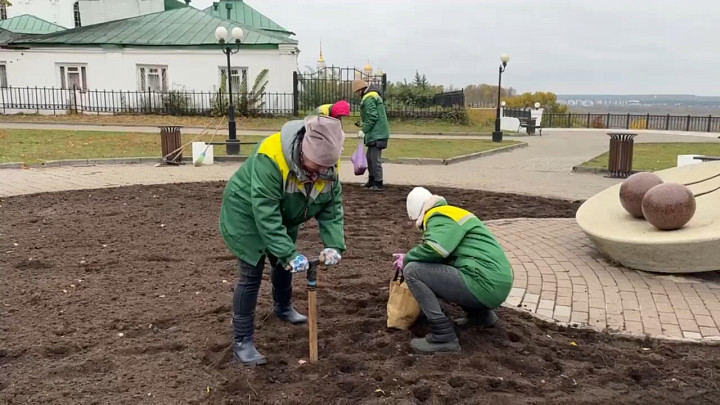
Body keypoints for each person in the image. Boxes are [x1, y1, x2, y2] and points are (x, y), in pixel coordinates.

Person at [219, 115, 346, 366]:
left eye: (325, 167)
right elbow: (265, 213)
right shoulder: (271, 156)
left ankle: (283, 306)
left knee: (282, 261)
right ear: (303, 150)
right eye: (316, 166)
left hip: (285, 214)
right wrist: (289, 253)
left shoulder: (327, 167)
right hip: (246, 213)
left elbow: (332, 209)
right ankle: (242, 341)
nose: (321, 172)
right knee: (251, 273)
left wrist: (334, 244)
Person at [392, 187, 514, 354]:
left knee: (413, 271)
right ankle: (481, 316)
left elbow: (436, 250)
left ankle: (443, 336)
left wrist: (407, 258)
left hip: (484, 283)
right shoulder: (452, 213)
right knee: (450, 270)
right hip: (496, 282)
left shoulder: (437, 215)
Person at [352, 79, 390, 191]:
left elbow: (373, 117)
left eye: (356, 92)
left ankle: (378, 183)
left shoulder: (369, 98)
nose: (356, 95)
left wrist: (364, 130)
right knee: (369, 158)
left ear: (360, 90)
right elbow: (371, 116)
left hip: (378, 134)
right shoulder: (372, 96)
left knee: (375, 159)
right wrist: (362, 124)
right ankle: (372, 180)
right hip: (376, 133)